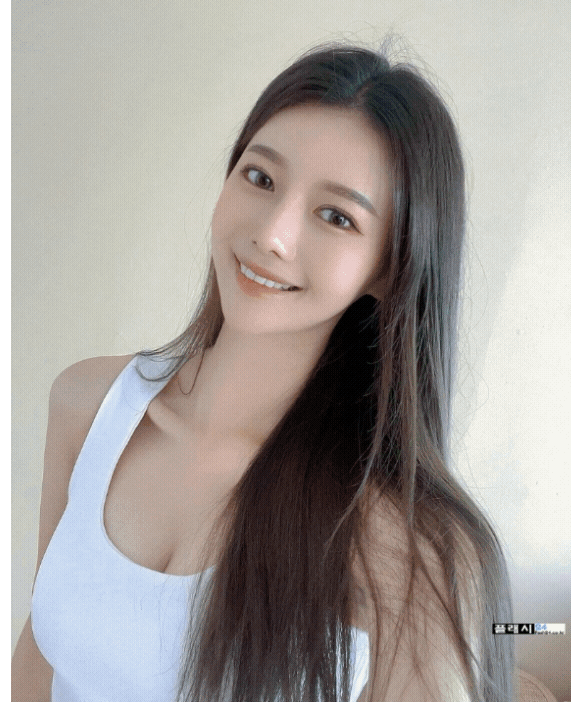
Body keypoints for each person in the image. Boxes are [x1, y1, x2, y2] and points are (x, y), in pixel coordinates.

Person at [11, 42, 515, 702]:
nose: (273, 233)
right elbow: (38, 657)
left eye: (336, 216)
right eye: (261, 178)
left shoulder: (403, 542)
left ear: (391, 267)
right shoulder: (87, 405)